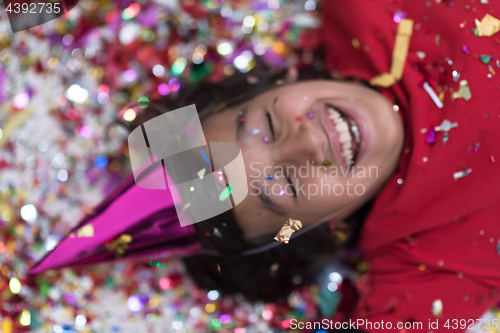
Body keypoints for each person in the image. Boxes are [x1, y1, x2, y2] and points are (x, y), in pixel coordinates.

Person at [30, 0, 500, 332]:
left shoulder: (364, 9)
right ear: (322, 227)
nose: (309, 143)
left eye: (269, 124)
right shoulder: (426, 264)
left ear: (281, 80)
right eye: (286, 184)